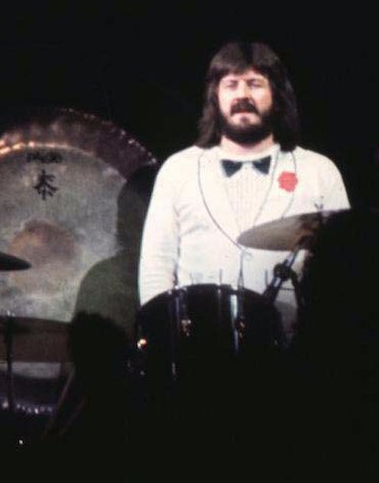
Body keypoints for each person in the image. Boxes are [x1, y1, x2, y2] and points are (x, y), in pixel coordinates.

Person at [138, 41, 350, 340]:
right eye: (231, 84)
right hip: (198, 345)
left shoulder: (319, 170)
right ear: (215, 96)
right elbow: (156, 264)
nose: (243, 95)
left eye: (255, 84)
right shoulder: (179, 169)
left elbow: (344, 267)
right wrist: (163, 335)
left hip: (292, 346)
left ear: (277, 95)